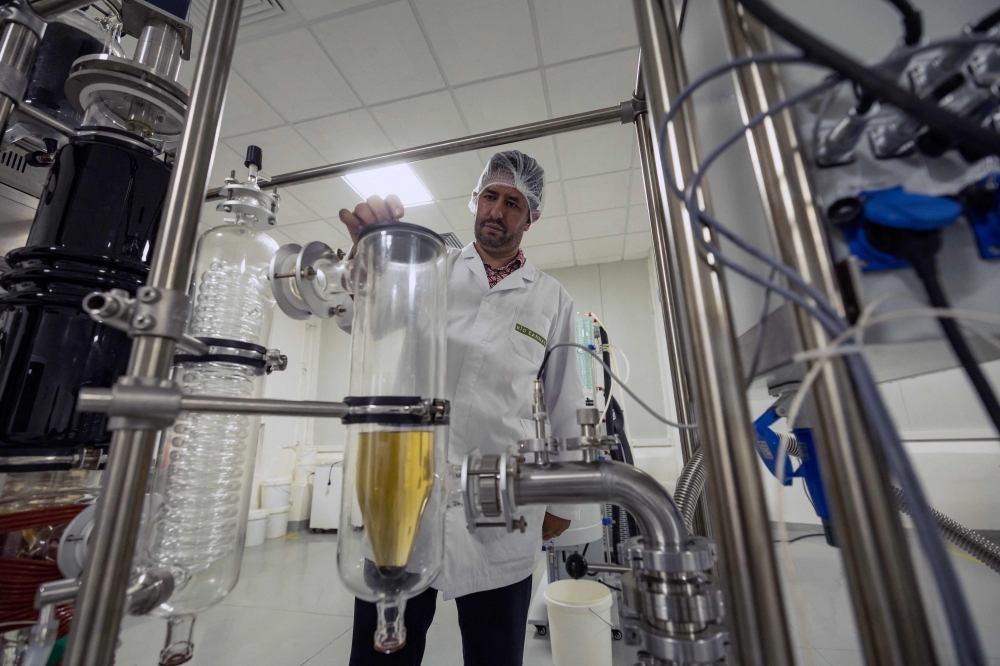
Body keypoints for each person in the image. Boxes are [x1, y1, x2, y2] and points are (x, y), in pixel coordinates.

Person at [335, 150, 586, 666]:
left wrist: (564, 501)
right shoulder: (431, 269)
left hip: (499, 501)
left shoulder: (552, 299)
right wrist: (369, 264)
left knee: (495, 655)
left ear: (530, 216)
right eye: (490, 196)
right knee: (383, 654)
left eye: (512, 202)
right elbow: (364, 322)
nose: (496, 210)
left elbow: (566, 402)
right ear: (476, 200)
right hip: (408, 493)